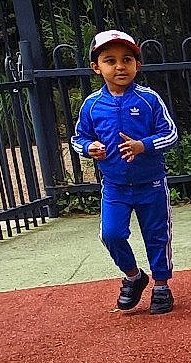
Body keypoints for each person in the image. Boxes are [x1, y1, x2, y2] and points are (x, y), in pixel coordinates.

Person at [71, 29, 179, 314]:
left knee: (157, 235)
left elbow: (170, 134)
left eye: (127, 59)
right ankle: (134, 276)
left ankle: (161, 285)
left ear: (137, 65)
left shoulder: (148, 99)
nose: (120, 66)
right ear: (97, 68)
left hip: (151, 184)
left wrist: (143, 145)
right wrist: (88, 147)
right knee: (112, 234)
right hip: (115, 186)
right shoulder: (92, 105)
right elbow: (77, 138)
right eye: (110, 60)